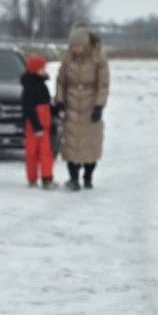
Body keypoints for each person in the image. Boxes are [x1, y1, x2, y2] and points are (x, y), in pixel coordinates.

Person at [55, 22, 110, 190]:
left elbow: (103, 85)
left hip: (89, 106)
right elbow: (60, 81)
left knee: (89, 145)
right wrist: (60, 100)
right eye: (73, 46)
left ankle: (88, 177)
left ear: (85, 45)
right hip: (71, 106)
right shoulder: (67, 58)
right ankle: (73, 179)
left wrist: (99, 106)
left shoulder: (98, 58)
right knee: (70, 144)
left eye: (78, 46)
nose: (75, 49)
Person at [21, 53, 57, 188]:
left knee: (46, 153)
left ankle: (47, 178)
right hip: (34, 126)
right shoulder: (29, 87)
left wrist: (55, 111)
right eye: (42, 68)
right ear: (35, 69)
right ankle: (32, 179)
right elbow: (28, 109)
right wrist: (36, 126)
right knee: (31, 153)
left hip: (45, 125)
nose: (44, 71)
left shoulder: (41, 84)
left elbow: (47, 104)